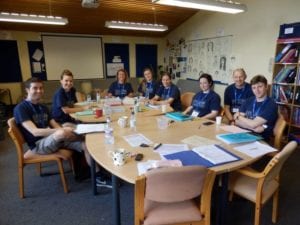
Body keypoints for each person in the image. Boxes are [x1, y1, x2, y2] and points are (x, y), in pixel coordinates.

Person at [14, 77, 111, 187]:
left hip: (54, 140)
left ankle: (98, 176)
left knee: (85, 144)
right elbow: (35, 132)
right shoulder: (21, 108)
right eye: (35, 88)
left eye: (41, 88)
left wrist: (64, 129)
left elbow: (54, 123)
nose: (39, 91)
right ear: (27, 90)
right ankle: (84, 137)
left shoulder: (43, 107)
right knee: (63, 132)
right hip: (39, 145)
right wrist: (62, 130)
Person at [234, 75, 278, 140]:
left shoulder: (271, 105)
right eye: (254, 88)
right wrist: (253, 128)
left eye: (260, 86)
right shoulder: (248, 100)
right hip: (242, 134)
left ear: (266, 87)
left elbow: (253, 124)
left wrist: (239, 117)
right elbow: (237, 122)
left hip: (259, 138)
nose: (257, 90)